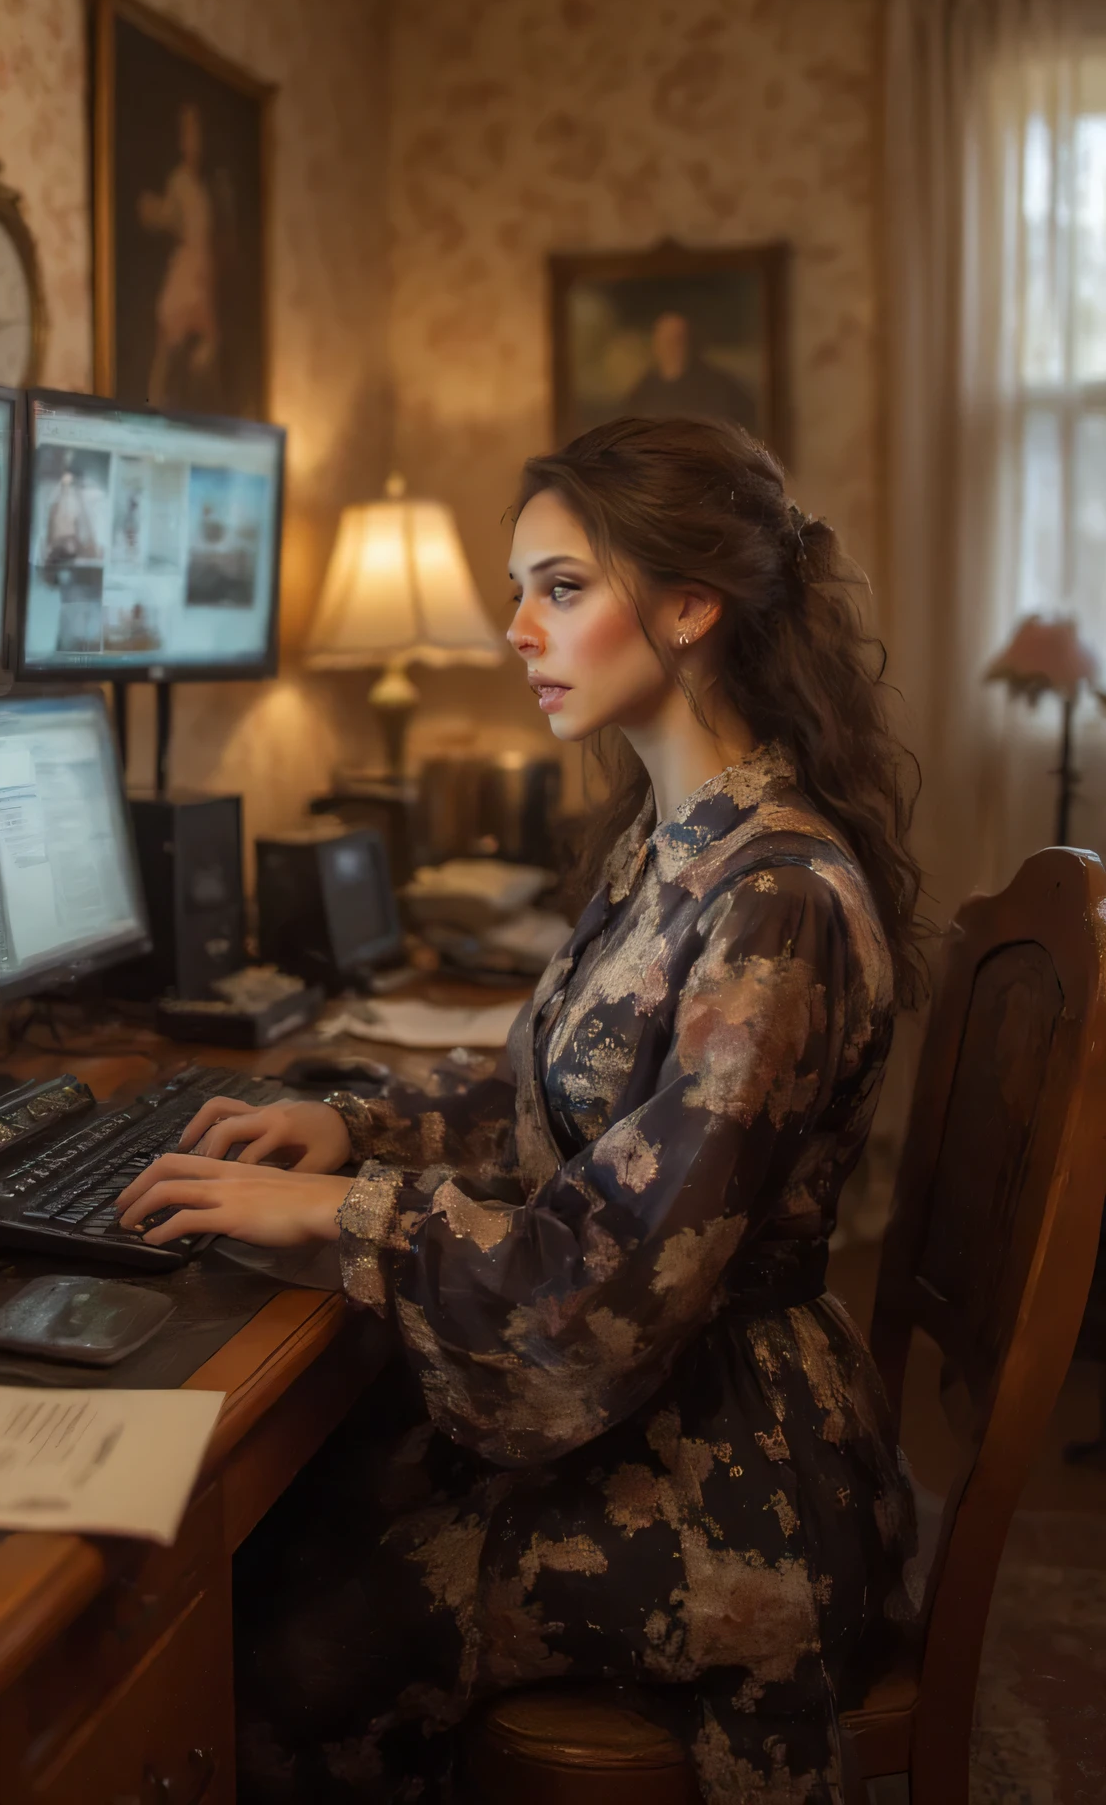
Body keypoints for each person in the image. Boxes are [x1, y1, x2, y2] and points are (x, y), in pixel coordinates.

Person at [116, 416, 923, 1804]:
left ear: (686, 606)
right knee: (288, 1523)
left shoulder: (773, 903)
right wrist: (352, 1127)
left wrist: (341, 1216)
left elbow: (596, 1296)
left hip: (731, 1477)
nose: (516, 629)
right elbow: (551, 1100)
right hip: (673, 1402)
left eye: (560, 588)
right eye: (518, 590)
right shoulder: (670, 840)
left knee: (283, 1641)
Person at [139, 102, 220, 407]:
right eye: (188, 134)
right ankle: (153, 404)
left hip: (201, 272)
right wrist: (153, 211)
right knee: (168, 340)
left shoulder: (204, 190)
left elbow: (207, 239)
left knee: (203, 352)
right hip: (186, 270)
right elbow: (169, 217)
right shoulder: (179, 181)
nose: (193, 142)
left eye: (197, 134)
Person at [621, 310, 757, 429]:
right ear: (656, 345)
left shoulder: (721, 387)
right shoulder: (644, 390)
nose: (671, 347)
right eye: (665, 340)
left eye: (678, 339)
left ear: (691, 343)